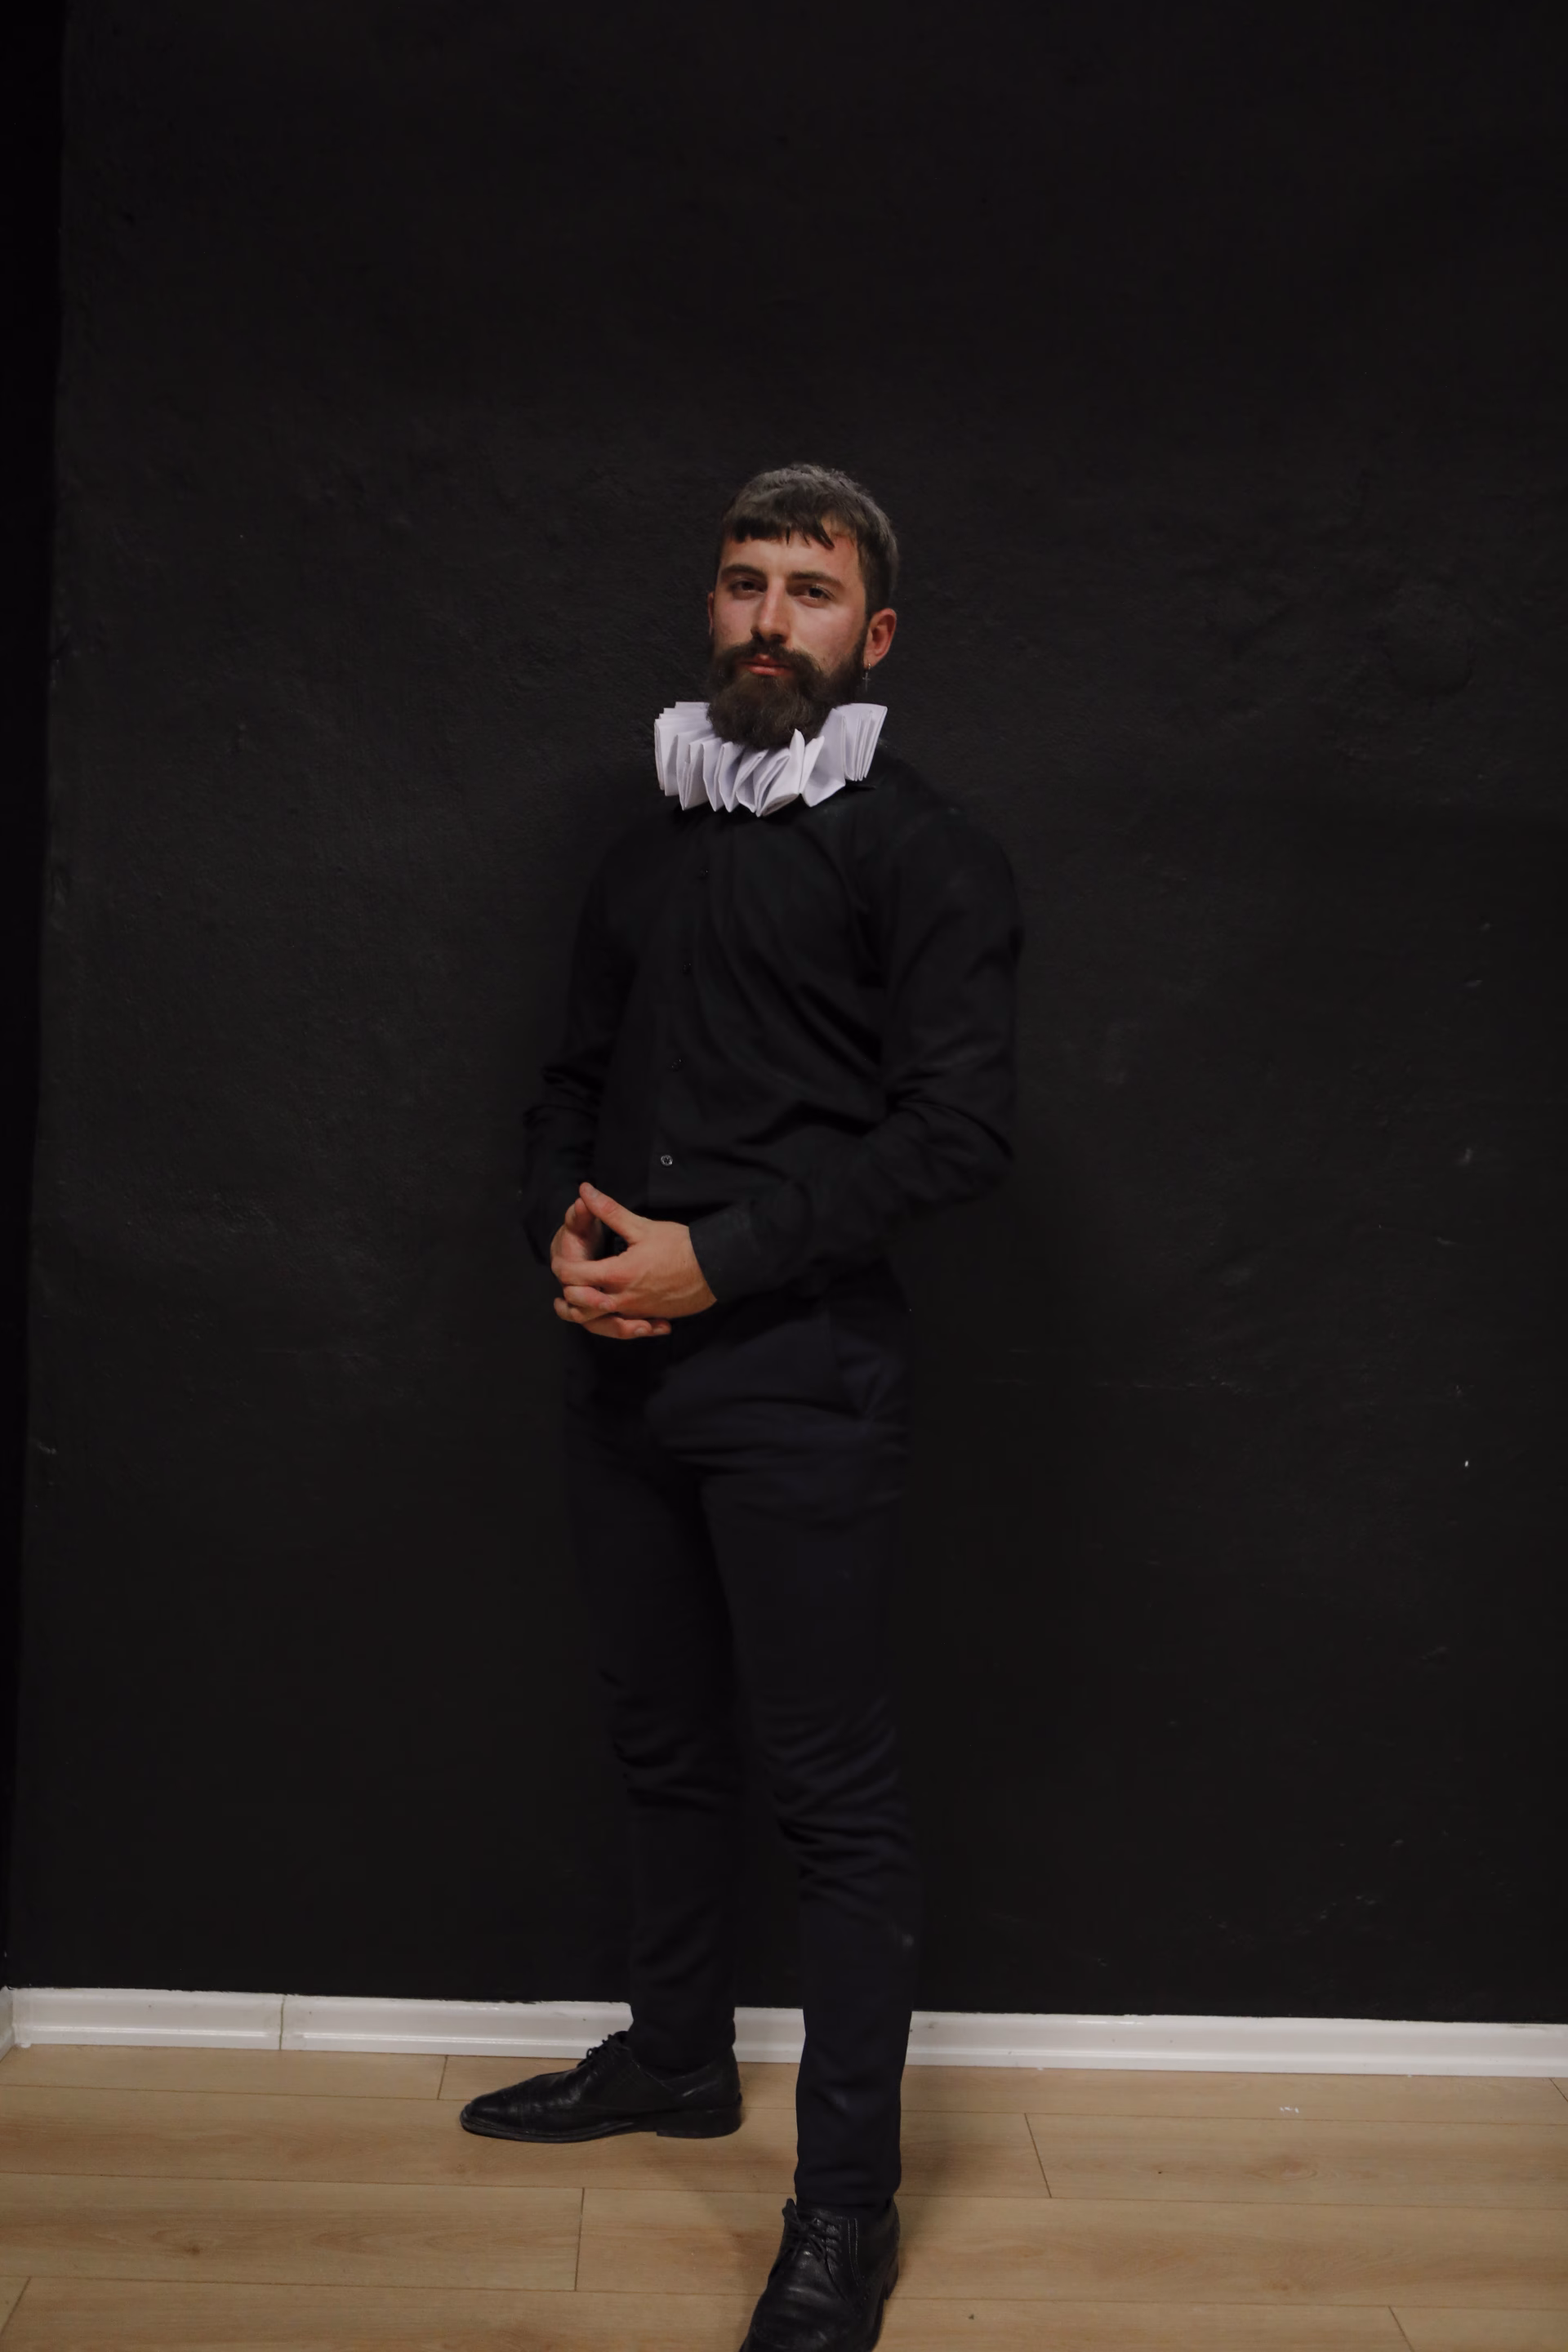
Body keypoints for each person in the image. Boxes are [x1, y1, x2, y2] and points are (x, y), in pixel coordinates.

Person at [461, 465, 1022, 2352]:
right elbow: (569, 1079)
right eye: (743, 581)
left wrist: (717, 1258)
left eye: (810, 588)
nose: (770, 617)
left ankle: (842, 2212)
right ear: (711, 610)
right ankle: (678, 2059)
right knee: (658, 1738)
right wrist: (565, 1228)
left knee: (834, 1800)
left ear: (875, 634)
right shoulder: (646, 853)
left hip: (804, 1380)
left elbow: (959, 1133)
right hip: (618, 1363)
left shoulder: (929, 854)